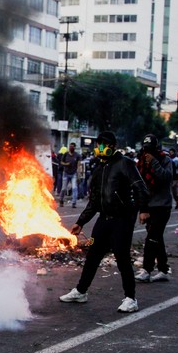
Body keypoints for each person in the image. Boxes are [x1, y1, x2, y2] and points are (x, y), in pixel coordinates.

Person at [59, 131, 150, 313]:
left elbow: (141, 188)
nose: (100, 147)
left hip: (122, 220)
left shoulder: (125, 163)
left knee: (122, 258)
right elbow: (94, 201)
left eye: (104, 144)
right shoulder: (100, 169)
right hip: (103, 220)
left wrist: (143, 209)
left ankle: (131, 299)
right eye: (98, 144)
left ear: (113, 146)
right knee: (92, 256)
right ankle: (81, 291)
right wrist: (81, 222)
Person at [135, 134, 174, 282]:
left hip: (162, 206)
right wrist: (142, 209)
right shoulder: (141, 163)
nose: (147, 153)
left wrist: (155, 163)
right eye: (146, 150)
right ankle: (163, 269)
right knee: (156, 238)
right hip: (149, 205)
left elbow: (167, 178)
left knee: (152, 238)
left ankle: (147, 269)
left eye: (150, 150)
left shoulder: (165, 160)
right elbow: (141, 186)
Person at [59, 142, 81, 208]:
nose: (71, 148)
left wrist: (79, 174)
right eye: (70, 146)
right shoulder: (65, 154)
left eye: (72, 146)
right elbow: (61, 162)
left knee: (74, 188)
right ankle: (61, 200)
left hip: (73, 174)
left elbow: (79, 165)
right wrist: (66, 164)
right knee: (63, 188)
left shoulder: (77, 155)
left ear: (74, 147)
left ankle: (74, 203)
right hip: (66, 173)